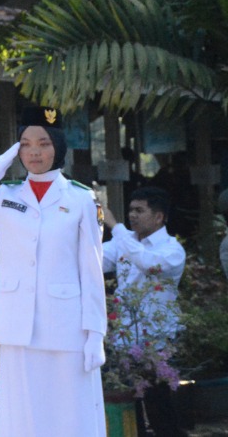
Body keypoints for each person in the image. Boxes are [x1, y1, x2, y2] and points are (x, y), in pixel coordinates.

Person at [0, 106, 106, 437]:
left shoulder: (82, 199)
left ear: (58, 148)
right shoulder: (4, 195)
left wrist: (95, 334)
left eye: (43, 143)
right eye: (25, 144)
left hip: (66, 324)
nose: (34, 152)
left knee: (71, 412)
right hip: (17, 324)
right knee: (22, 415)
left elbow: (91, 271)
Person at [104, 185, 188, 437]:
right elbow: (91, 258)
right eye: (130, 210)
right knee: (131, 407)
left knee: (159, 407)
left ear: (159, 216)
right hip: (125, 338)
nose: (132, 215)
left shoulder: (172, 249)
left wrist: (115, 226)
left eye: (140, 210)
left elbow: (148, 263)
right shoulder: (124, 243)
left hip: (158, 340)